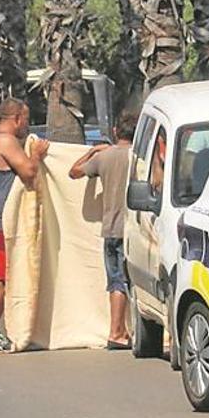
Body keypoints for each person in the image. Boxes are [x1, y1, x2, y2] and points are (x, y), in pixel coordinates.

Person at [0, 98, 50, 353]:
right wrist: (37, 155)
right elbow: (29, 172)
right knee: (0, 279)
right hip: (2, 224)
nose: (27, 125)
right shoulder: (5, 142)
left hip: (3, 221)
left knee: (5, 276)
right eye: (26, 119)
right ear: (16, 118)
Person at [69, 112, 136, 350]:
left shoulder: (104, 158)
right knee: (133, 281)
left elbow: (74, 172)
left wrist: (91, 151)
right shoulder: (140, 158)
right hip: (136, 230)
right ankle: (121, 331)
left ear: (116, 132)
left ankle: (116, 331)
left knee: (116, 281)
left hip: (111, 229)